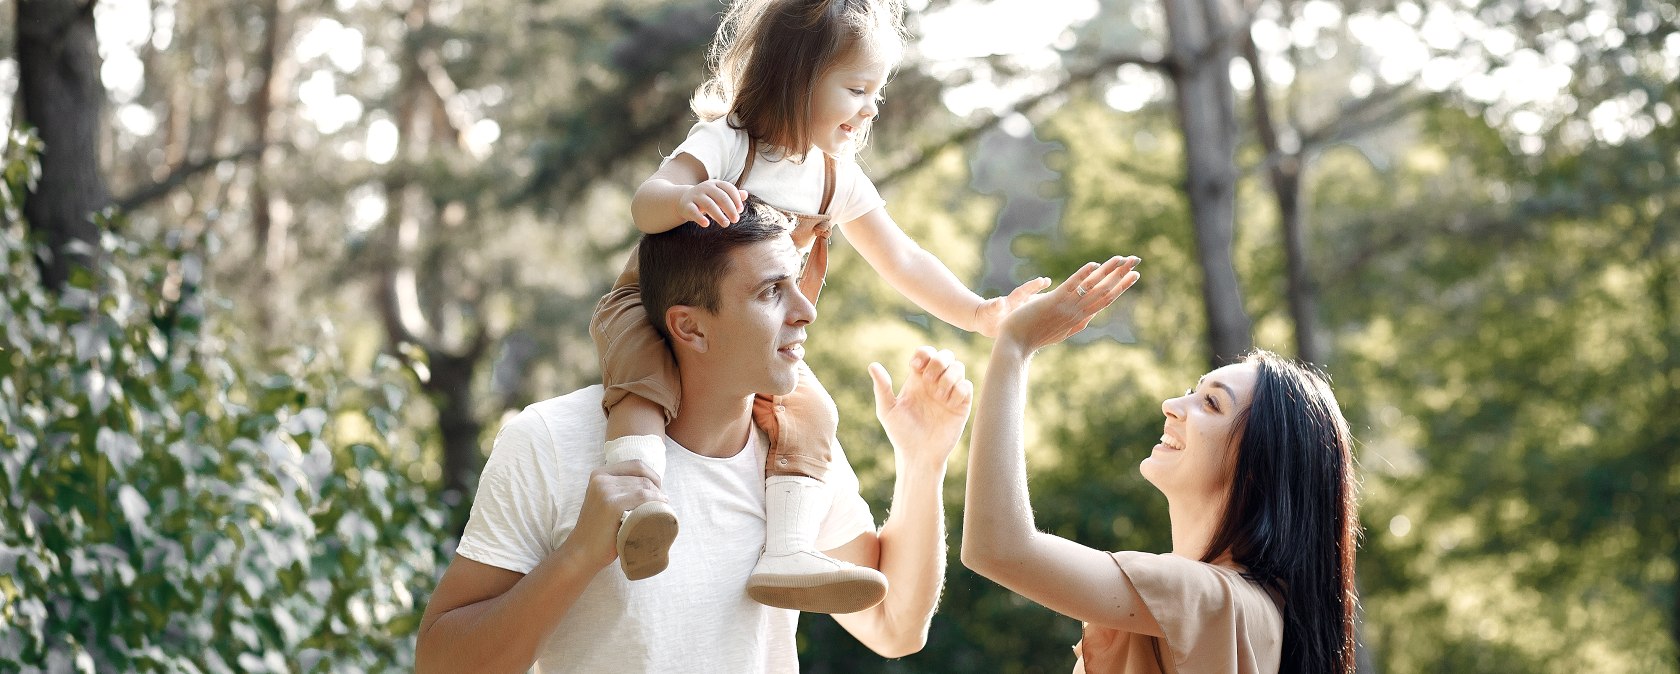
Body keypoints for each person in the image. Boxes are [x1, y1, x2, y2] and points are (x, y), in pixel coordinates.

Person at [591, 0, 1047, 613]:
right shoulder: (729, 144)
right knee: (645, 382)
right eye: (857, 88)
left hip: (754, 342)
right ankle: (637, 502)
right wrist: (686, 197)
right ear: (796, 80)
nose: (870, 107)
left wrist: (976, 313)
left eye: (877, 94)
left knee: (813, 415)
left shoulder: (837, 178)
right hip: (657, 305)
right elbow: (648, 202)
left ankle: (788, 548)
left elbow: (903, 259)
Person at [417, 201, 973, 673]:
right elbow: (441, 662)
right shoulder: (550, 441)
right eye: (771, 292)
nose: (806, 311)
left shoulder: (796, 457)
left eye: (796, 283)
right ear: (689, 326)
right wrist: (581, 554)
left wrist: (923, 460)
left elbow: (895, 627)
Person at [959, 257, 1361, 674]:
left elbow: (999, 548)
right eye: (1192, 390)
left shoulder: (1216, 601)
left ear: (1259, 468)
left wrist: (1015, 344)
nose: (1171, 405)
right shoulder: (1222, 606)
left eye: (1210, 403)